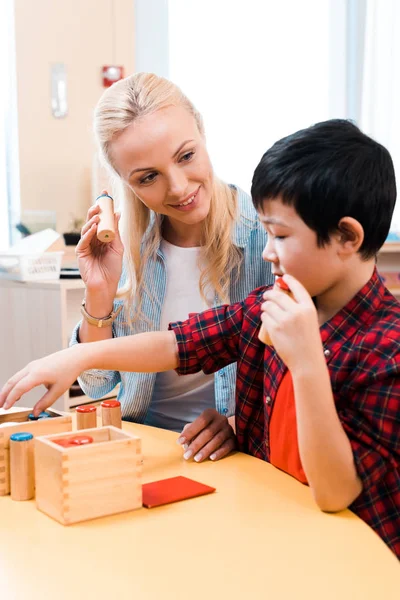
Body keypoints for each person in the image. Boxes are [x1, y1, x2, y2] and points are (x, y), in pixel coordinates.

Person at [1, 119, 399, 558]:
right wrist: (78, 356)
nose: (268, 252)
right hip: (270, 530)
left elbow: (335, 493)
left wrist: (306, 364)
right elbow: (179, 344)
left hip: (351, 558)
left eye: (281, 236)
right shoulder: (268, 303)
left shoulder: (387, 346)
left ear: (347, 237)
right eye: (266, 233)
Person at [70, 72, 272, 461]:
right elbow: (96, 384)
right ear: (128, 185)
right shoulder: (125, 250)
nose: (178, 188)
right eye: (148, 177)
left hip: (238, 458)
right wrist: (99, 292)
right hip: (145, 450)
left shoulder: (267, 238)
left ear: (202, 131)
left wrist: (237, 424)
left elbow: (300, 373)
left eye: (186, 156)